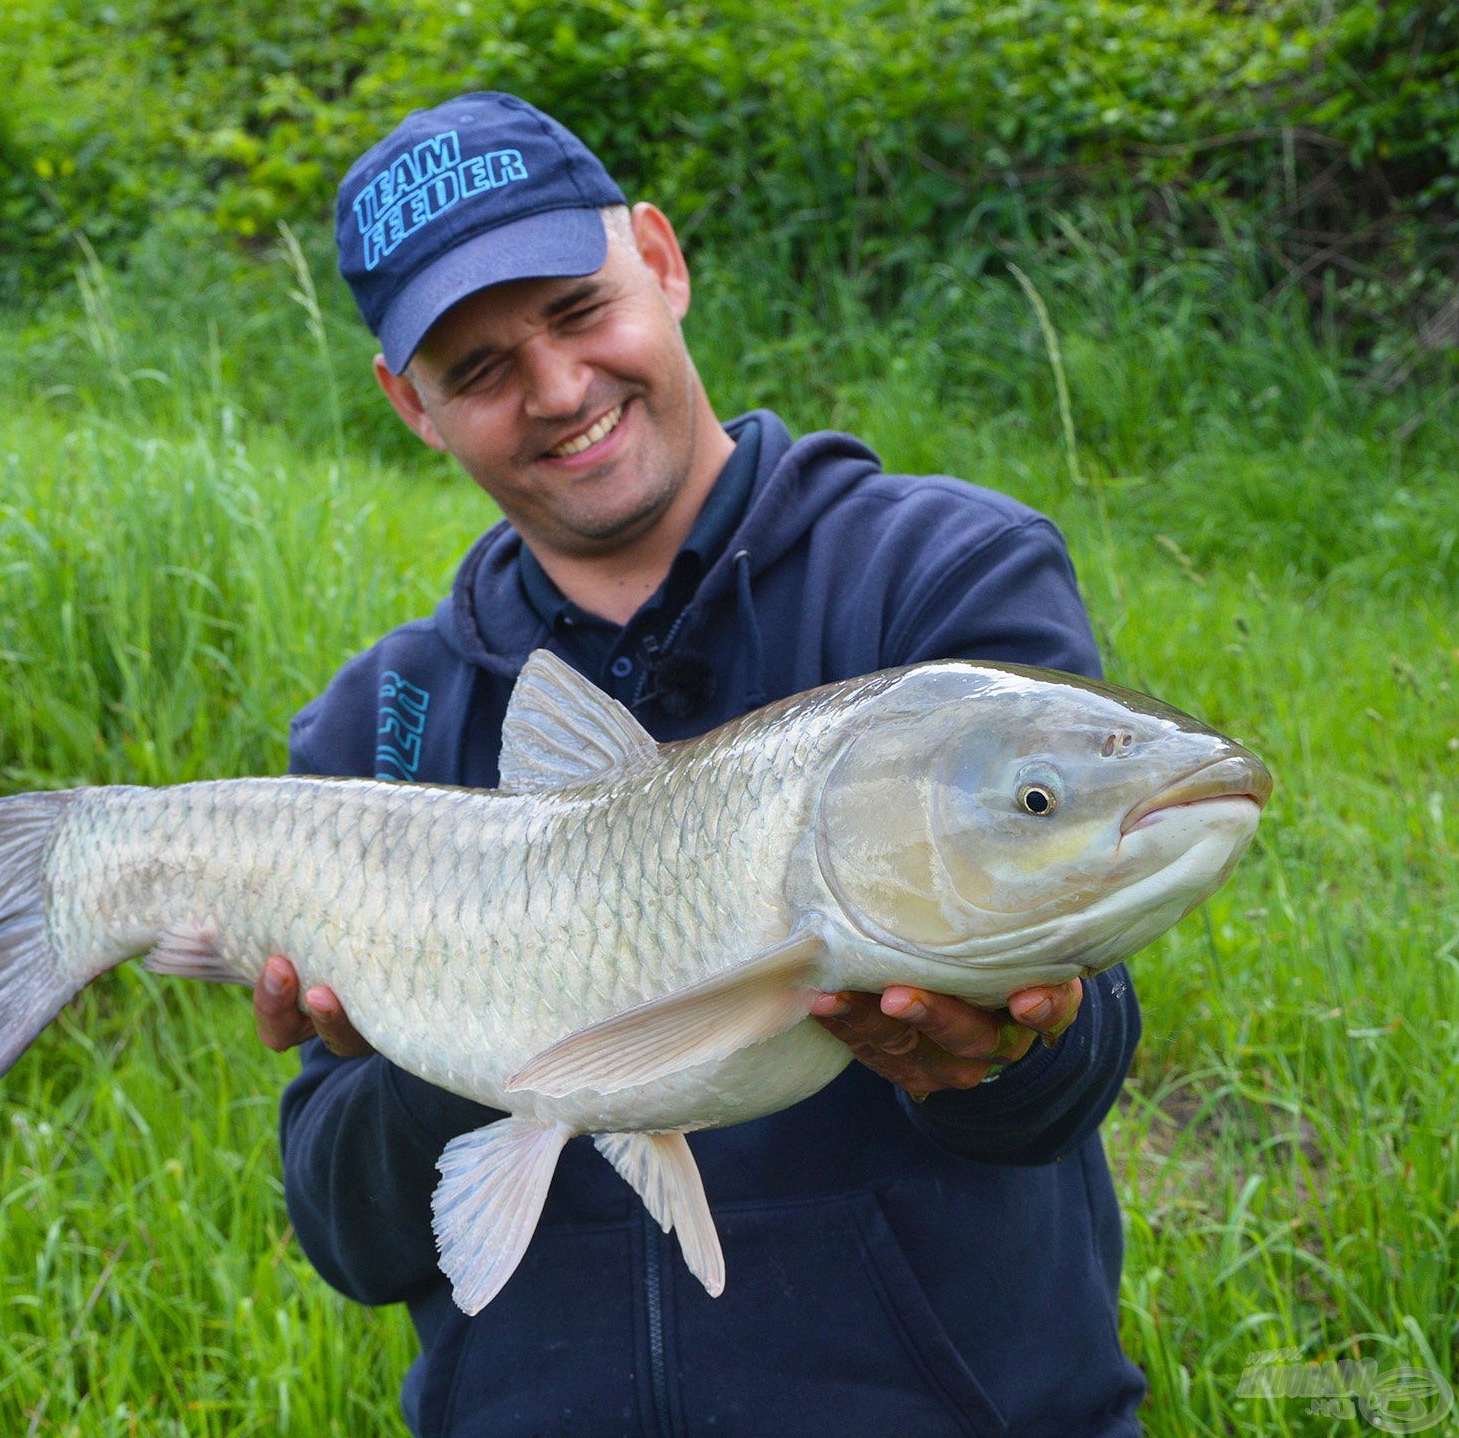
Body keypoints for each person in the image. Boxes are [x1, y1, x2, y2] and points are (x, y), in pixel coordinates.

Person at [256, 92, 1147, 1437]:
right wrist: (449, 1022)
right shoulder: (380, 724)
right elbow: (354, 1244)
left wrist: (997, 1048)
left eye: (575, 310)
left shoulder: (935, 582)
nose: (558, 391)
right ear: (411, 406)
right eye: (480, 367)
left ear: (662, 261)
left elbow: (1069, 1067)